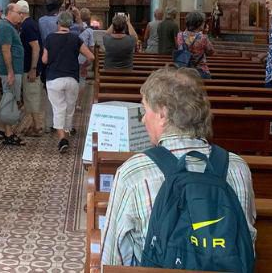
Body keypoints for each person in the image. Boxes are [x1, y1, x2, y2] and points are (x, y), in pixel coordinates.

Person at [101, 67, 256, 266]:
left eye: (145, 109)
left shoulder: (134, 172)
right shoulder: (238, 167)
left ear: (162, 113)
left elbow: (113, 260)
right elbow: (247, 242)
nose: (142, 118)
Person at [42, 11, 94, 153]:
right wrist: (83, 67)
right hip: (72, 79)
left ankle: (62, 139)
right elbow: (91, 56)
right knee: (69, 109)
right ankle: (66, 134)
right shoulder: (75, 38)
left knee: (58, 108)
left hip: (54, 78)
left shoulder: (50, 38)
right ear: (70, 24)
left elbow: (44, 60)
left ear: (58, 23)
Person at [0, 3, 26, 146]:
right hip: (10, 71)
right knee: (10, 99)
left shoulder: (7, 27)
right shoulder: (6, 27)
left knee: (9, 98)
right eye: (19, 13)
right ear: (10, 12)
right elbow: (6, 50)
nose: (21, 15)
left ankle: (3, 130)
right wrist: (10, 72)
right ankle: (9, 134)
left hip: (13, 70)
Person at [17, 0, 44, 136]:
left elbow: (36, 47)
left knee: (32, 96)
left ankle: (38, 126)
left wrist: (33, 68)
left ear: (21, 13)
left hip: (30, 68)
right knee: (29, 97)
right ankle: (34, 124)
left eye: (17, 13)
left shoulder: (28, 26)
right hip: (27, 67)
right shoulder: (28, 24)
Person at [37, 0, 62, 130]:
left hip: (45, 56)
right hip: (59, 57)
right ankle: (59, 124)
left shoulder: (41, 20)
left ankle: (48, 123)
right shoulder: (60, 20)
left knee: (48, 90)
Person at [175, 11, 215, 79]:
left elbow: (180, 47)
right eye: (203, 22)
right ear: (199, 23)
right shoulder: (203, 37)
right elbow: (211, 52)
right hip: (200, 71)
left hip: (184, 71)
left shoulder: (179, 35)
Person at [75, 8, 96, 115]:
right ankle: (78, 104)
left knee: (73, 80)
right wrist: (90, 59)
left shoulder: (73, 28)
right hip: (83, 58)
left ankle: (71, 102)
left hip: (73, 58)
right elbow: (91, 47)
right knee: (82, 80)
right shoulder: (89, 31)